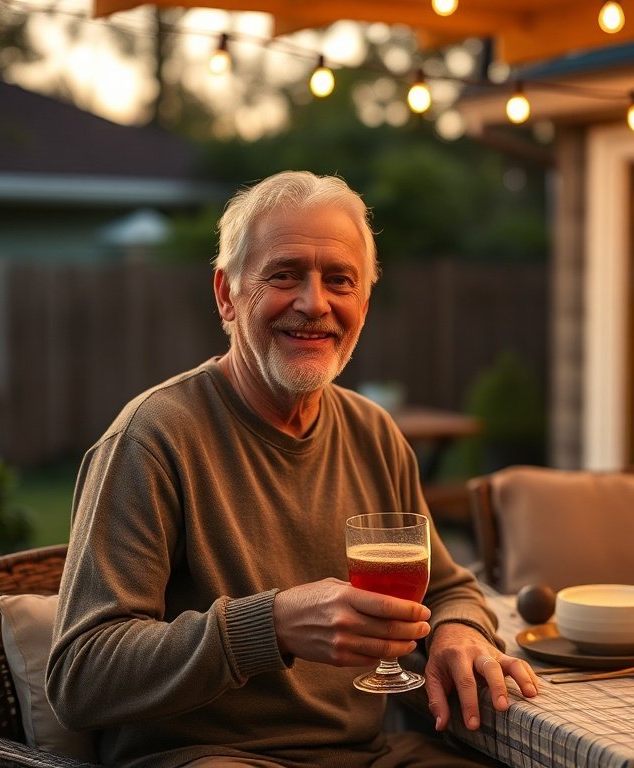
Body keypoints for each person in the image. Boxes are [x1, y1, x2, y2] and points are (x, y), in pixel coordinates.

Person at [46, 170, 539, 767]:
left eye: (340, 280)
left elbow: (448, 587)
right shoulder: (153, 437)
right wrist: (270, 625)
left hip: (367, 755)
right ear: (227, 295)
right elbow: (81, 677)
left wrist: (460, 630)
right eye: (284, 275)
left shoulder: (373, 432)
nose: (314, 304)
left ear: (364, 304)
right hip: (214, 757)